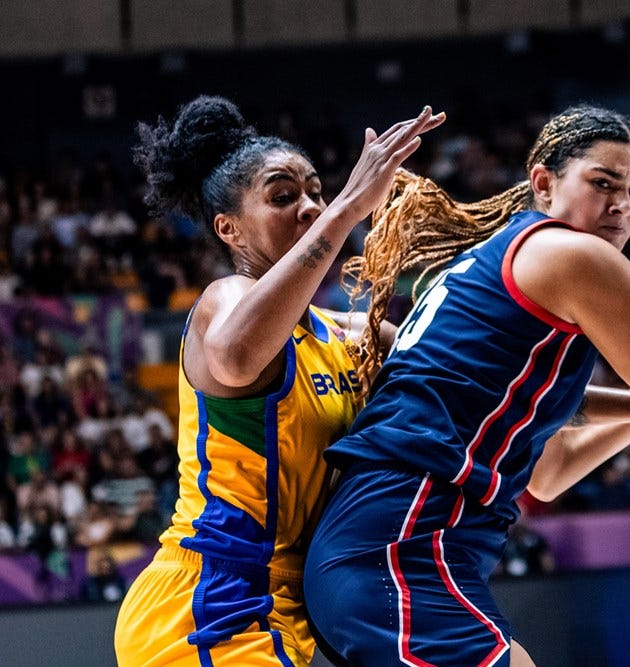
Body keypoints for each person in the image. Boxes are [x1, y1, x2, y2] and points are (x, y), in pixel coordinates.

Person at [304, 104, 630, 666]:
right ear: (544, 184)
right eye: (603, 183)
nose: (622, 205)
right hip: (402, 548)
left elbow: (551, 470)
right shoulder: (576, 258)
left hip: (380, 552)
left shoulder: (512, 266)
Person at [113, 96, 445, 666]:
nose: (312, 207)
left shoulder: (348, 335)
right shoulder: (226, 302)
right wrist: (347, 209)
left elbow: (490, 386)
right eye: (283, 196)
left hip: (285, 608)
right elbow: (238, 355)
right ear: (230, 230)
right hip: (205, 603)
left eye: (317, 192)